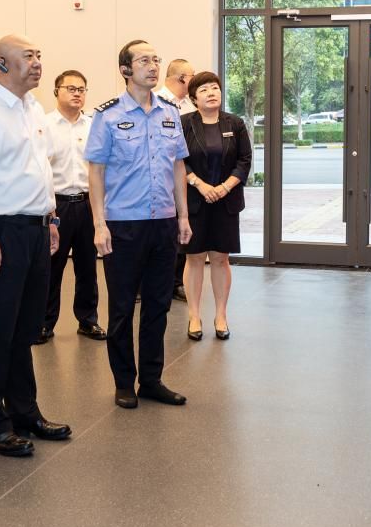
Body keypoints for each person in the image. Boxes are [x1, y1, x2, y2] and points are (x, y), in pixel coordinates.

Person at [0, 34, 70, 457]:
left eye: (39, 55)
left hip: (37, 230)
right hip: (2, 231)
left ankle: (25, 413)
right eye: (28, 56)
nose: (38, 62)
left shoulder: (32, 107)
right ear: (1, 64)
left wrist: (51, 219)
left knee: (25, 331)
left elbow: (40, 168)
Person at [85, 40, 192, 409]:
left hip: (163, 222)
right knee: (121, 308)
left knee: (158, 306)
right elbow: (96, 172)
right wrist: (99, 224)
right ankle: (123, 382)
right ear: (125, 70)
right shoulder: (107, 115)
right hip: (123, 224)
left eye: (156, 59)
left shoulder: (170, 112)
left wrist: (183, 216)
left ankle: (151, 379)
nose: (153, 65)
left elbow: (178, 166)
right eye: (144, 60)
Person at [179, 71, 251, 341]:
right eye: (204, 89)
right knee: (195, 257)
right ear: (193, 98)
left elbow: (244, 160)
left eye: (215, 88)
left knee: (221, 258)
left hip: (225, 201)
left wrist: (224, 187)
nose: (211, 93)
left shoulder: (235, 123)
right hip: (194, 201)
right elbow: (178, 160)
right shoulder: (184, 123)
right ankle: (194, 316)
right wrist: (200, 184)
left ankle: (221, 315)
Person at [39, 69, 106, 343]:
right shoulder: (44, 125)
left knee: (88, 266)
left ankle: (88, 320)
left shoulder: (93, 125)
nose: (77, 94)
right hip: (57, 205)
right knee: (51, 267)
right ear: (57, 92)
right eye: (71, 88)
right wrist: (48, 208)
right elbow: (40, 170)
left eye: (81, 89)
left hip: (87, 204)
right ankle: (44, 323)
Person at [155, 58, 196, 302]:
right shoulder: (156, 102)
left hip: (182, 177)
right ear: (182, 78)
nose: (194, 80)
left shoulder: (189, 107)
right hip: (159, 179)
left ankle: (175, 282)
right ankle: (145, 285)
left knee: (180, 231)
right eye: (192, 76)